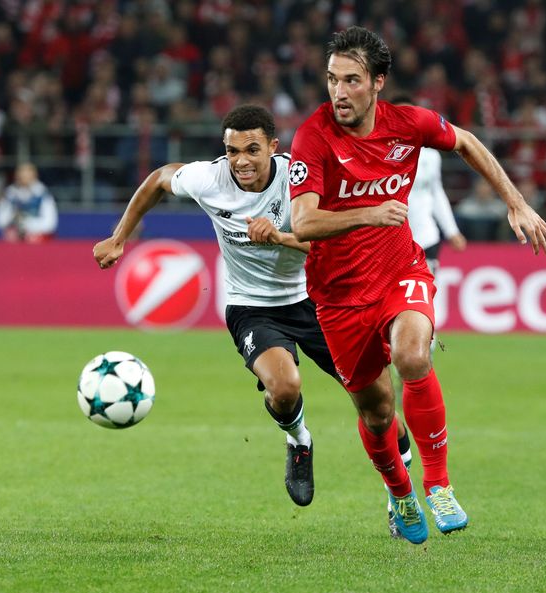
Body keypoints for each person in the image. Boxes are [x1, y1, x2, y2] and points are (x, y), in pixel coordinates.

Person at [289, 26, 546, 544]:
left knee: (413, 356)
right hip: (338, 296)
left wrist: (515, 202)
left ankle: (438, 484)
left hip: (400, 271)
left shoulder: (408, 124)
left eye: (351, 80)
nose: (338, 92)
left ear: (378, 83)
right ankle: (402, 492)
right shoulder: (314, 135)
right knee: (376, 409)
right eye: (331, 80)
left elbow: (468, 142)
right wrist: (369, 211)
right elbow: (303, 224)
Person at [92, 104, 414, 509]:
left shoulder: (304, 178)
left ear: (272, 147)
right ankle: (299, 439)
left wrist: (280, 237)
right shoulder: (209, 179)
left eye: (251, 150)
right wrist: (120, 236)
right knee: (284, 388)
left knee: (379, 407)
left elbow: (338, 244)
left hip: (320, 300)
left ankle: (397, 494)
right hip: (252, 306)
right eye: (232, 151)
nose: (241, 161)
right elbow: (159, 179)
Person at [391, 95, 467, 271]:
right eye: (398, 115)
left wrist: (451, 230)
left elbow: (436, 193)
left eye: (409, 115)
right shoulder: (376, 156)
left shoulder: (430, 156)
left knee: (426, 296)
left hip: (426, 237)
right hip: (391, 243)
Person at [0, 163, 58, 242]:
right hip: (14, 241)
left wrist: (26, 223)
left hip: (38, 241)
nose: (24, 178)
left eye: (27, 175)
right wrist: (13, 220)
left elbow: (50, 224)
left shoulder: (43, 194)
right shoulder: (10, 194)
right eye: (21, 175)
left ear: (34, 176)